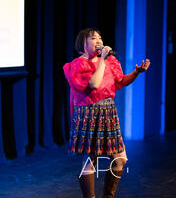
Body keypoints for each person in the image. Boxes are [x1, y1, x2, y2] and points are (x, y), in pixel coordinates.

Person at [63, 28, 150, 198]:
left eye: (100, 37)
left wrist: (137, 72)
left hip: (108, 112)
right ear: (82, 43)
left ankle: (108, 196)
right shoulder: (78, 64)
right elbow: (94, 84)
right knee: (91, 161)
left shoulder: (110, 61)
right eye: (93, 38)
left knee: (120, 159)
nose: (99, 41)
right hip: (90, 113)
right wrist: (102, 60)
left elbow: (121, 81)